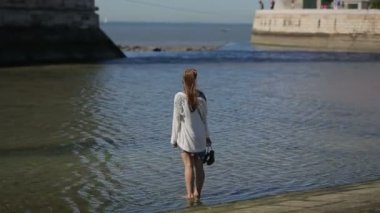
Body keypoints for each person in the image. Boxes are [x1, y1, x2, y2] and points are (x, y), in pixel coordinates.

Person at [171, 68, 212, 201]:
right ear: (196, 80)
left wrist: (174, 139)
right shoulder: (202, 97)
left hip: (185, 138)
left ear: (183, 81)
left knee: (188, 166)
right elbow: (205, 119)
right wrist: (207, 137)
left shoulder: (179, 97)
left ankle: (189, 195)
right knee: (199, 167)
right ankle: (198, 194)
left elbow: (176, 120)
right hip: (200, 138)